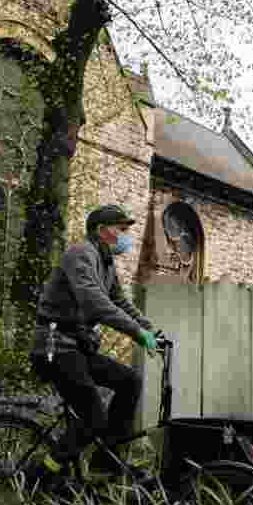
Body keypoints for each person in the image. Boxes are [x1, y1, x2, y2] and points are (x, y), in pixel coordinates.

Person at [24, 204, 158, 489]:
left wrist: (150, 330)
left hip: (76, 348)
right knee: (93, 417)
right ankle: (40, 474)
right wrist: (136, 333)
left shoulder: (105, 260)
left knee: (129, 381)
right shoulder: (80, 254)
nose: (125, 236)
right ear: (101, 230)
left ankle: (106, 463)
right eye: (121, 229)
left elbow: (119, 301)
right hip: (54, 347)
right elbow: (95, 302)